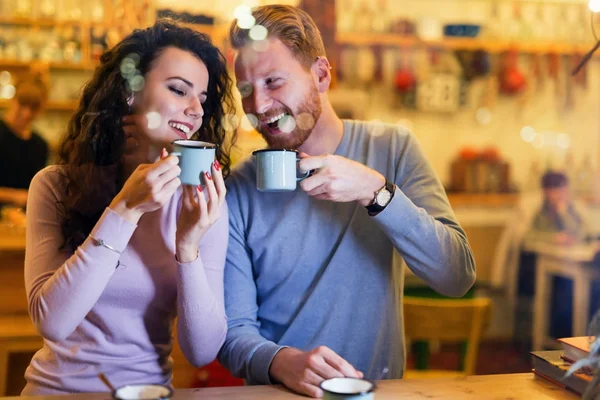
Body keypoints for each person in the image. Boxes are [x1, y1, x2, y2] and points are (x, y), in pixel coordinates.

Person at [217, 4, 476, 398]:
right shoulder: (238, 187)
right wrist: (282, 362)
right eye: (247, 91)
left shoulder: (393, 149)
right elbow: (233, 332)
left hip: (375, 391)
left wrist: (377, 193)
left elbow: (457, 276)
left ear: (320, 74)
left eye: (273, 81)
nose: (258, 106)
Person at [22, 19, 235, 395]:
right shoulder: (56, 186)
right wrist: (124, 210)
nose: (196, 111)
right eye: (178, 90)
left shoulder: (201, 205)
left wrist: (188, 247)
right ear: (129, 92)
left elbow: (202, 352)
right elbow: (52, 321)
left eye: (201, 100)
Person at [0, 72, 50, 208]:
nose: (26, 113)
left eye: (33, 107)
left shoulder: (40, 145)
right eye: (22, 104)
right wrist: (15, 196)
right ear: (13, 99)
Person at [527, 170, 588, 245]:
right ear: (546, 192)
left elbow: (580, 233)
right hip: (548, 253)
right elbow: (530, 236)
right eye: (556, 192)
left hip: (570, 253)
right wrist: (552, 238)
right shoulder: (542, 211)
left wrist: (564, 213)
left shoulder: (571, 208)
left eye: (564, 191)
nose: (561, 195)